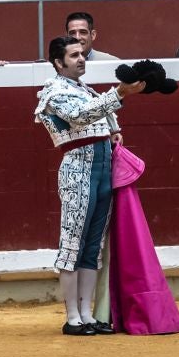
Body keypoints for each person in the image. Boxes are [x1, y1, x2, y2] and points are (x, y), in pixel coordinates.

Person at [35, 36, 144, 335]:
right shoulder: (53, 91)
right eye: (73, 56)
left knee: (92, 246)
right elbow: (79, 118)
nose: (81, 59)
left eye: (82, 54)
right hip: (77, 172)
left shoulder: (85, 90)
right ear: (59, 63)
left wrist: (114, 133)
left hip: (102, 169)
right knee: (73, 244)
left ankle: (87, 314)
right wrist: (120, 93)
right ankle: (72, 317)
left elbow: (104, 119)